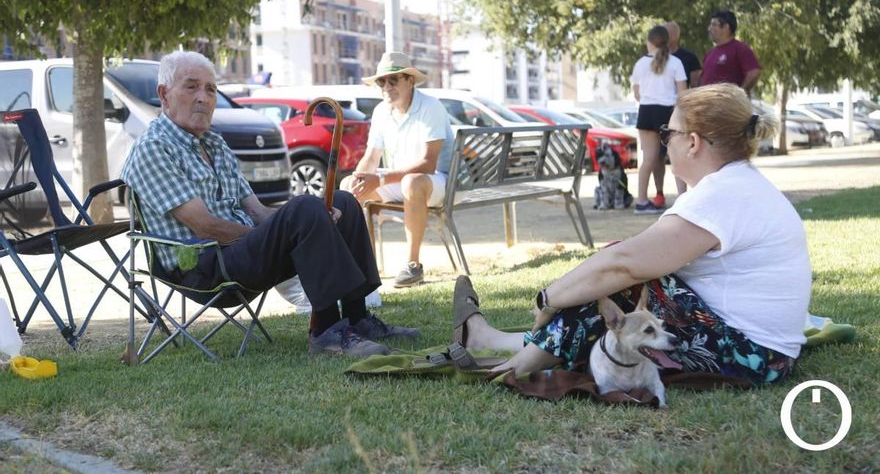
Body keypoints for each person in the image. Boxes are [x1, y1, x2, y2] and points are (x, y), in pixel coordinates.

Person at [453, 83, 810, 388]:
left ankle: (515, 365)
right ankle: (500, 343)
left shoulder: (720, 195)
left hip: (755, 360)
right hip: (764, 355)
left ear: (694, 142)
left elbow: (623, 266)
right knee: (619, 274)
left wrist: (549, 299)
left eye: (669, 134)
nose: (665, 143)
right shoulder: (737, 185)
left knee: (621, 282)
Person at [121, 51, 419, 358]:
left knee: (343, 201)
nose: (204, 98)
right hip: (203, 267)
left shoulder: (214, 144)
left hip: (239, 254)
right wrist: (278, 234)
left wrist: (295, 226)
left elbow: (258, 212)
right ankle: (326, 333)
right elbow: (204, 226)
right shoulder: (153, 148)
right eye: (191, 87)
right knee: (305, 208)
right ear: (164, 94)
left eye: (211, 89)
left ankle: (358, 318)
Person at [341, 51, 454, 288]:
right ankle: (360, 265)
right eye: (381, 81)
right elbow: (371, 157)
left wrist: (379, 181)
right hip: (401, 180)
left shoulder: (430, 106)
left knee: (411, 183)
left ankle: (413, 266)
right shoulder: (381, 111)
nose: (386, 86)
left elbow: (428, 163)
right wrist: (359, 178)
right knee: (347, 187)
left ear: (410, 80)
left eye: (393, 79)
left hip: (439, 181)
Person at [630, 25, 687, 214]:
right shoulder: (676, 63)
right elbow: (683, 93)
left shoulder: (639, 64)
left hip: (646, 111)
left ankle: (641, 201)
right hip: (668, 112)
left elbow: (637, 94)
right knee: (676, 156)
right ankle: (682, 199)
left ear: (649, 41)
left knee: (649, 159)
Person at [651, 21, 701, 208]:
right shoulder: (650, 60)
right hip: (656, 112)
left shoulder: (686, 58)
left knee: (679, 151)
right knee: (656, 156)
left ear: (676, 36)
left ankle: (683, 196)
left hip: (679, 110)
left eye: (668, 33)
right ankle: (659, 193)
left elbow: (694, 84)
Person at [699, 10, 761, 95]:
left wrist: (740, 93)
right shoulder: (710, 53)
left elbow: (754, 72)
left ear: (726, 27)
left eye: (713, 25)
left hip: (728, 106)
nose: (709, 28)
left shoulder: (740, 49)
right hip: (708, 104)